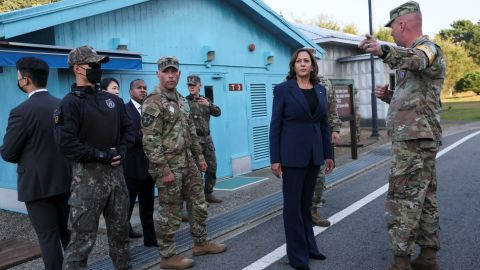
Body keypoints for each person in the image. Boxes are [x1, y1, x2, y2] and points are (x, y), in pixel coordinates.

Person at [359, 2, 445, 270]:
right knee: (425, 197)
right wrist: (389, 97)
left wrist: (383, 49)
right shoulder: (412, 56)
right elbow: (418, 100)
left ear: (403, 24)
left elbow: (417, 60)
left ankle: (401, 262)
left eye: (393, 29)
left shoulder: (427, 49)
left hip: (414, 141)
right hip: (418, 137)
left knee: (402, 198)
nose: (392, 34)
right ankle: (428, 258)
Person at [142, 56, 227, 269]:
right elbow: (150, 142)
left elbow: (190, 132)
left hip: (188, 163)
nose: (171, 75)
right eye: (166, 71)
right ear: (158, 74)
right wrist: (163, 170)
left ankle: (200, 242)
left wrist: (199, 158)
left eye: (174, 71)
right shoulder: (153, 101)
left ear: (178, 74)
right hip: (169, 166)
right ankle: (168, 256)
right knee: (170, 211)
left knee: (198, 204)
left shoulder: (181, 100)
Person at [54, 45, 134, 270]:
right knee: (81, 241)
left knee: (121, 234)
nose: (98, 69)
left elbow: (129, 131)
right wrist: (101, 155)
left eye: (100, 65)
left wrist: (121, 151)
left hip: (117, 177)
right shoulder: (69, 103)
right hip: (87, 180)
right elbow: (66, 144)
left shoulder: (114, 101)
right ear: (78, 69)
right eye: (94, 65)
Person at [1, 57, 71, 270]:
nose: (19, 80)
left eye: (19, 77)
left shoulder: (21, 112)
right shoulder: (63, 105)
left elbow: (9, 153)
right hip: (66, 181)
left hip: (37, 186)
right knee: (69, 235)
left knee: (48, 238)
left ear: (26, 79)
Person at [269, 48, 334, 270]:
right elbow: (275, 125)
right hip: (292, 156)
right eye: (299, 61)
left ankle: (310, 247)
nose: (303, 64)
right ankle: (297, 256)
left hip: (314, 155)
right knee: (292, 208)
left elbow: (324, 124)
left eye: (307, 61)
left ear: (313, 66)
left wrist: (328, 154)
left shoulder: (321, 90)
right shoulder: (283, 90)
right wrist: (275, 159)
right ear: (293, 66)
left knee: (306, 205)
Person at [123, 79, 158, 246]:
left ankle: (150, 240)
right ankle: (122, 243)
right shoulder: (124, 110)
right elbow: (126, 137)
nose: (143, 90)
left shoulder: (150, 110)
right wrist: (144, 135)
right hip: (130, 168)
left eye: (145, 88)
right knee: (126, 209)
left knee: (147, 207)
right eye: (139, 88)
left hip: (149, 167)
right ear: (131, 91)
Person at [185, 75, 222, 203]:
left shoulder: (205, 100)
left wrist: (209, 105)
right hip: (194, 141)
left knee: (212, 167)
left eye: (194, 85)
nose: (191, 87)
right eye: (189, 85)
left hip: (207, 139)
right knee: (196, 171)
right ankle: (199, 199)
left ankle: (209, 193)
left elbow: (218, 112)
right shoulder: (185, 102)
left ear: (199, 85)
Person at [311, 76, 341, 228]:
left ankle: (313, 211)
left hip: (321, 134)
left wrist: (335, 129)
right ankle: (298, 211)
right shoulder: (289, 82)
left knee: (319, 175)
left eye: (311, 59)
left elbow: (332, 108)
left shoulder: (325, 82)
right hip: (298, 137)